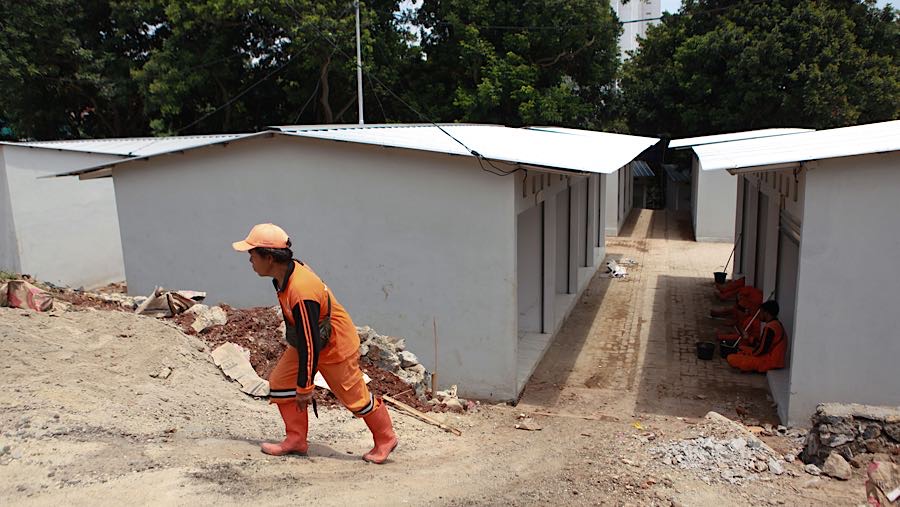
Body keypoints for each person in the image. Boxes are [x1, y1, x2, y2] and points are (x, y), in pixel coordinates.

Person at [232, 223, 398, 464]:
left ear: (268, 258)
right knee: (280, 382)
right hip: (311, 341)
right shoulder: (283, 275)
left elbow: (311, 343)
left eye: (252, 254)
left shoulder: (301, 290)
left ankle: (386, 437)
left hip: (334, 346)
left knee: (356, 398)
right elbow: (306, 338)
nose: (249, 260)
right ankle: (296, 439)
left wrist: (305, 386)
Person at [727, 300, 787, 373]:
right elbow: (762, 345)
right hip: (774, 358)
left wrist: (749, 355)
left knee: (731, 358)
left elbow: (761, 350)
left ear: (766, 313)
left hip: (771, 361)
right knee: (741, 349)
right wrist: (749, 339)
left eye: (761, 312)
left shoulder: (770, 327)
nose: (759, 315)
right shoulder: (776, 324)